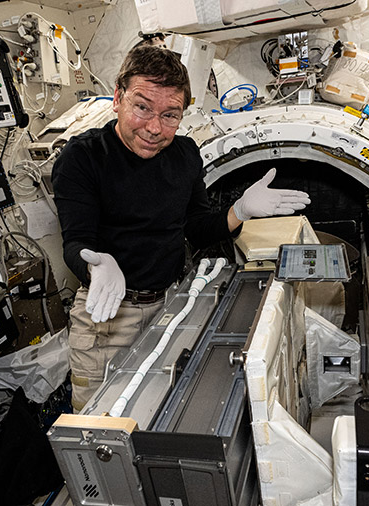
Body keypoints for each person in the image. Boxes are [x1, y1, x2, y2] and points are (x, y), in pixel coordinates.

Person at [52, 44, 311, 410]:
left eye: (170, 115)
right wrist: (94, 265)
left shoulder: (185, 154)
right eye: (142, 107)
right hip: (107, 319)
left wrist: (240, 210)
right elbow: (76, 240)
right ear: (118, 99)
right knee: (102, 429)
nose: (155, 128)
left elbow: (198, 228)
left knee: (162, 411)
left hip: (169, 304)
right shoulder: (82, 157)